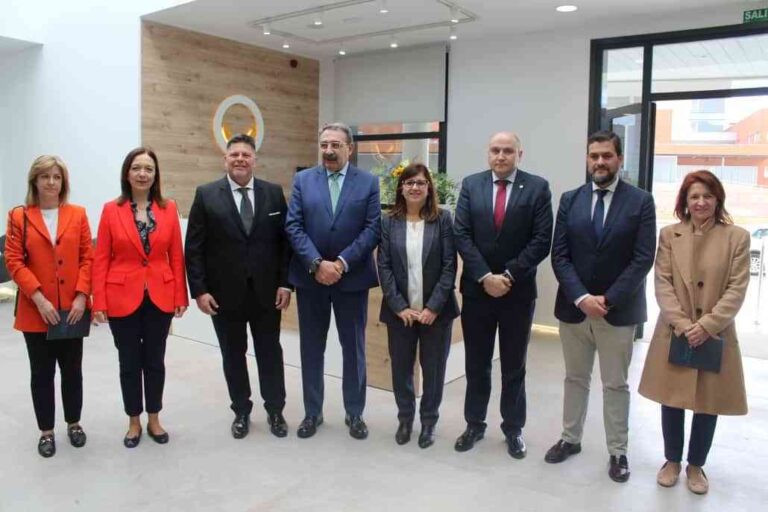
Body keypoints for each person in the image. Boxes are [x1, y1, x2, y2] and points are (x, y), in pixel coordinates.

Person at [547, 130, 656, 483]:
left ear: (619, 159)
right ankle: (570, 439)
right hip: (574, 309)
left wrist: (607, 299)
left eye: (607, 156)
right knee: (575, 378)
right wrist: (582, 297)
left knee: (615, 384)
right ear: (587, 158)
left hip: (618, 311)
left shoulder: (641, 202)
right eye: (594, 155)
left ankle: (618, 450)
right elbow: (560, 255)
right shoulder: (570, 199)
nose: (600, 162)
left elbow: (642, 259)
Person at [639, 170, 749, 495]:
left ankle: (696, 465)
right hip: (676, 331)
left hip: (716, 334)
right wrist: (685, 325)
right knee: (671, 398)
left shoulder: (737, 237)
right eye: (694, 197)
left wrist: (707, 326)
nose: (701, 202)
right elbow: (662, 283)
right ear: (685, 202)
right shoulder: (670, 235)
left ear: (718, 200)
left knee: (708, 402)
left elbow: (737, 288)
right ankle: (671, 460)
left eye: (707, 196)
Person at [453, 132, 553, 459]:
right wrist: (485, 276)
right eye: (495, 150)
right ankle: (474, 423)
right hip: (478, 292)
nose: (501, 156)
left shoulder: (537, 188)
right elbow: (462, 235)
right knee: (477, 363)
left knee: (514, 365)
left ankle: (513, 428)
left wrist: (508, 275)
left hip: (517, 292)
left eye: (508, 151)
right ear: (488, 154)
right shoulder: (471, 185)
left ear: (519, 155)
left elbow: (541, 240)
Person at [185, 134, 292, 440]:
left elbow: (285, 244)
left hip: (267, 294)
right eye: (235, 155)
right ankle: (241, 412)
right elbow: (194, 247)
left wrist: (285, 283)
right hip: (223, 295)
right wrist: (200, 290)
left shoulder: (272, 194)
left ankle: (275, 410)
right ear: (225, 159)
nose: (240, 159)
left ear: (254, 160)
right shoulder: (206, 195)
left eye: (246, 154)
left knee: (270, 352)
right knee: (233, 354)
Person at [285, 122, 380, 440]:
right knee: (311, 348)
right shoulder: (303, 180)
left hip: (351, 280)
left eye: (336, 145)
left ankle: (355, 413)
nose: (329, 150)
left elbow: (372, 229)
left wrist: (340, 263)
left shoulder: (368, 182)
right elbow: (294, 226)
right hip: (310, 280)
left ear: (349, 148)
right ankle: (313, 412)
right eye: (324, 144)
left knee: (353, 349)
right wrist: (316, 264)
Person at [92, 147, 188, 448]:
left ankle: (154, 417)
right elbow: (101, 259)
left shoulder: (169, 208)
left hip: (160, 296)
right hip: (122, 296)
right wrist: (100, 302)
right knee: (129, 361)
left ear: (155, 174)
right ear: (127, 173)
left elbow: (176, 254)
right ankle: (133, 420)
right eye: (137, 168)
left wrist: (180, 294)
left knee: (155, 361)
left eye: (148, 168)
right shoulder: (111, 210)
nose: (143, 173)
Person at [4, 155, 93, 458]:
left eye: (56, 177)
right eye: (45, 177)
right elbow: (14, 262)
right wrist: (39, 298)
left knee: (72, 371)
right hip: (36, 311)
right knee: (41, 373)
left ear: (63, 182)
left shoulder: (78, 214)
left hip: (72, 310)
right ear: (35, 181)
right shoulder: (19, 216)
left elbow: (87, 257)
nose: (51, 182)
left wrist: (82, 296)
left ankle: (74, 423)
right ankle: (46, 431)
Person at [376, 163, 459, 448]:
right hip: (400, 313)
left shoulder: (443, 220)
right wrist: (399, 306)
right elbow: (383, 266)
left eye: (420, 183)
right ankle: (405, 419)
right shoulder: (388, 221)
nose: (414, 187)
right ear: (401, 188)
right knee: (401, 369)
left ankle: (428, 423)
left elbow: (450, 266)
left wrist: (433, 307)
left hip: (436, 313)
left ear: (428, 188)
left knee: (433, 370)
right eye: (409, 182)